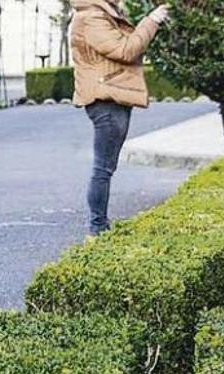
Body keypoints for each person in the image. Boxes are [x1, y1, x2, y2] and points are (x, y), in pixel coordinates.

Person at [70, 0, 170, 235]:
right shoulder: (92, 17)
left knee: (106, 167)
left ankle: (99, 227)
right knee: (103, 168)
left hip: (112, 95)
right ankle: (98, 228)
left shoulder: (101, 13)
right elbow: (125, 50)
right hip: (105, 99)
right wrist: (152, 20)